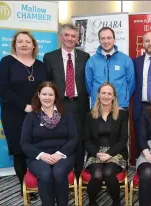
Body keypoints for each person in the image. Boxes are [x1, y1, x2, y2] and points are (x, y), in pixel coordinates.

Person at [0, 30, 47, 200]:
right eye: (20, 42)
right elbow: (2, 89)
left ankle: (38, 182)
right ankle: (24, 185)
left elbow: (46, 89)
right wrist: (23, 106)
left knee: (38, 148)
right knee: (19, 150)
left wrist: (40, 106)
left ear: (33, 45)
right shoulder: (6, 62)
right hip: (14, 114)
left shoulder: (40, 65)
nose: (24, 44)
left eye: (27, 41)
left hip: (38, 114)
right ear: (14, 45)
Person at [43, 23, 90, 179]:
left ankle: (77, 173)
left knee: (79, 139)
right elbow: (47, 83)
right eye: (67, 35)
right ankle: (61, 173)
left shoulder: (85, 57)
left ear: (78, 39)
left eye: (73, 36)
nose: (70, 38)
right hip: (59, 105)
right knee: (62, 138)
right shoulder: (49, 57)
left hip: (80, 105)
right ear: (61, 37)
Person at [21, 81, 78, 206]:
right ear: (39, 95)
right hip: (38, 156)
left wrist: (59, 154)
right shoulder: (31, 117)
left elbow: (73, 139)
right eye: (44, 94)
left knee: (58, 172)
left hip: (63, 155)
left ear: (55, 97)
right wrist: (42, 155)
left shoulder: (66, 115)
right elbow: (24, 143)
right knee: (45, 174)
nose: (47, 97)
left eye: (50, 94)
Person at [84, 83, 128, 206]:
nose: (106, 96)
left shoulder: (122, 114)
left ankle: (116, 202)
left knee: (108, 173)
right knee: (97, 175)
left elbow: (123, 139)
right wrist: (97, 154)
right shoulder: (90, 115)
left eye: (109, 93)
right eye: (103, 93)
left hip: (116, 152)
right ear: (98, 95)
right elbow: (86, 141)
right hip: (95, 152)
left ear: (114, 96)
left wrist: (109, 154)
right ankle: (92, 202)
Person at [85, 27, 135, 110]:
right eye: (103, 38)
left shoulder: (126, 60)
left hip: (120, 106)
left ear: (114, 39)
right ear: (99, 40)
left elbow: (131, 83)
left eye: (109, 38)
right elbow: (89, 85)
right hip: (98, 106)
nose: (106, 41)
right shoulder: (91, 61)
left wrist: (123, 98)